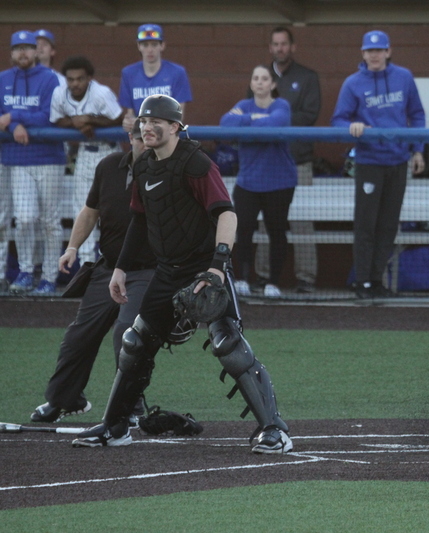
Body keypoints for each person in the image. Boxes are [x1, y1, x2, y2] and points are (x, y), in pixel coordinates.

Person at [71, 95, 292, 454]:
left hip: (205, 267)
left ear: (175, 126)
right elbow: (140, 223)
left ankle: (274, 430)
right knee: (134, 342)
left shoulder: (195, 162)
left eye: (156, 121)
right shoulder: (143, 167)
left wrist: (218, 267)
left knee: (227, 343)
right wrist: (121, 268)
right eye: (143, 121)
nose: (147, 127)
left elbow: (227, 215)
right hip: (168, 271)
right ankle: (115, 426)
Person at [30, 120, 155, 425]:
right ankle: (64, 399)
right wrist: (72, 247)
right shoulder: (109, 166)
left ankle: (131, 405)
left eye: (151, 138)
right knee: (78, 335)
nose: (145, 143)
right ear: (130, 138)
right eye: (140, 138)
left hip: (147, 271)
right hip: (108, 268)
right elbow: (90, 211)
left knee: (127, 334)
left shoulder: (166, 171)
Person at [331, 30, 426, 298]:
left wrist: (417, 150)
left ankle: (377, 281)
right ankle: (362, 282)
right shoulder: (352, 83)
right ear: (363, 54)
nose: (374, 55)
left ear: (388, 51)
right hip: (369, 161)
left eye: (379, 50)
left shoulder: (404, 77)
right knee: (366, 224)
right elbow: (338, 119)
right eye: (369, 51)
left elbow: (417, 115)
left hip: (398, 161)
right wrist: (353, 125)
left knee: (388, 225)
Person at [253, 27, 321, 294]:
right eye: (275, 44)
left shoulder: (307, 77)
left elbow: (309, 115)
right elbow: (249, 113)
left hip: (298, 162)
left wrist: (274, 118)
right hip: (267, 163)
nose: (280, 48)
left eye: (284, 44)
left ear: (292, 47)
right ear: (270, 48)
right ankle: (264, 276)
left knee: (302, 220)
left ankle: (305, 277)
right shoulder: (260, 78)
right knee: (265, 222)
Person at [221, 65, 297, 298]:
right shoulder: (244, 106)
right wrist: (254, 117)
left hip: (279, 181)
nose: (260, 82)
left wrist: (246, 124)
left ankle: (272, 283)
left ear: (272, 84)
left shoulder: (281, 105)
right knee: (242, 231)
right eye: (256, 78)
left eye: (265, 78)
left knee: (276, 231)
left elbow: (277, 123)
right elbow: (225, 123)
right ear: (252, 83)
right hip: (248, 182)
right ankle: (242, 279)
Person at [0, 30, 65, 295]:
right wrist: (16, 124)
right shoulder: (3, 78)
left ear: (36, 52)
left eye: (28, 48)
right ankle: (26, 271)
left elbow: (50, 115)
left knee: (50, 220)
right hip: (17, 160)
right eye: (18, 49)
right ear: (12, 52)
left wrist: (13, 116)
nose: (23, 53)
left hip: (49, 159)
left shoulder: (51, 79)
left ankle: (49, 277)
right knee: (24, 219)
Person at [51, 55, 125, 263]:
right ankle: (85, 265)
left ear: (89, 78)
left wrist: (90, 119)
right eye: (71, 79)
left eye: (80, 79)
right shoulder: (59, 93)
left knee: (110, 212)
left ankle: (109, 262)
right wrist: (77, 122)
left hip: (108, 153)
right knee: (82, 209)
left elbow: (118, 118)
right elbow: (56, 120)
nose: (75, 83)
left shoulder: (101, 93)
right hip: (84, 154)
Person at [118, 24, 192, 132]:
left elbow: (178, 115)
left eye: (154, 44)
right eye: (145, 45)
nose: (150, 49)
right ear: (139, 46)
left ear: (162, 46)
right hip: (141, 136)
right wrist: (128, 122)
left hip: (167, 135)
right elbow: (130, 113)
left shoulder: (177, 72)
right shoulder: (128, 73)